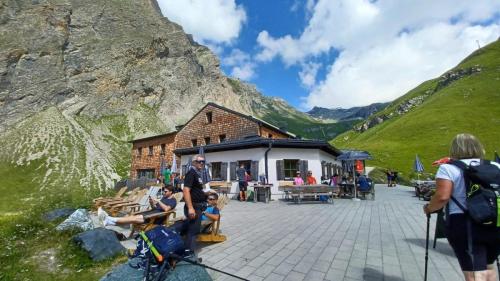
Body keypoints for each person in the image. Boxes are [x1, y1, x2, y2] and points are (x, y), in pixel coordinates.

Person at [423, 133, 500, 281]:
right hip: (495, 221)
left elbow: (442, 197)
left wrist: (428, 209)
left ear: (455, 149)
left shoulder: (448, 168)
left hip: (464, 223)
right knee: (488, 266)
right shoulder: (496, 166)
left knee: (472, 272)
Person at [98, 185, 176, 226]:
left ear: (171, 192)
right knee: (131, 217)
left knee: (134, 218)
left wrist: (158, 201)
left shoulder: (173, 201)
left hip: (156, 217)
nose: (163, 193)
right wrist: (152, 203)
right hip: (152, 212)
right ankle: (108, 221)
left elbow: (166, 209)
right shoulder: (164, 198)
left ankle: (109, 219)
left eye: (165, 192)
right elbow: (154, 208)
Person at [182, 154, 215, 254]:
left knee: (193, 229)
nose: (201, 163)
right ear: (194, 162)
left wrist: (205, 193)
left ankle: (186, 249)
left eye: (203, 161)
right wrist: (190, 208)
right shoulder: (191, 173)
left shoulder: (197, 174)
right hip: (194, 206)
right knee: (193, 230)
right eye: (199, 161)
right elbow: (186, 190)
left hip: (198, 205)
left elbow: (195, 190)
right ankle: (188, 253)